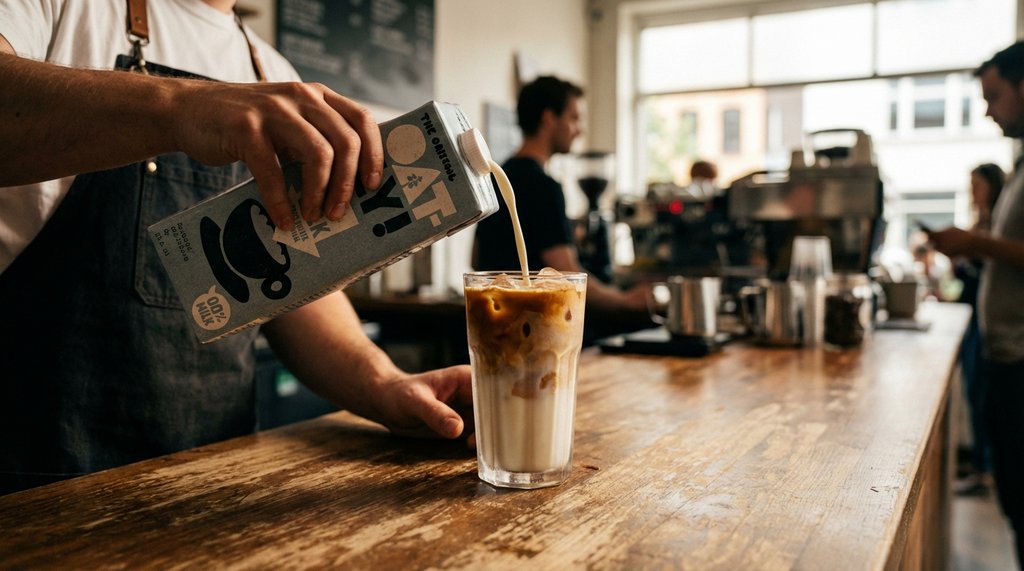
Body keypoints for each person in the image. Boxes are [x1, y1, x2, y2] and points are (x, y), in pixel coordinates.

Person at [0, 0, 472, 495]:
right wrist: (179, 108)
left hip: (212, 488)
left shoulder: (270, 69)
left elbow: (297, 281)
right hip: (36, 480)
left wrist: (383, 384)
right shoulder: (65, 7)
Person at [928, 40, 1024, 567]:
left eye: (994, 96)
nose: (988, 111)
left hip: (1021, 359)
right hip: (1006, 353)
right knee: (1014, 496)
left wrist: (973, 243)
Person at [472, 75, 648, 312]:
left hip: (494, 315)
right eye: (574, 118)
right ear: (548, 119)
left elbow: (475, 260)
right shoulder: (545, 187)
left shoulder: (495, 177)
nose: (579, 130)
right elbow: (567, 275)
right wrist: (625, 300)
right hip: (537, 322)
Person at [954, 163, 1005, 496]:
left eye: (977, 185)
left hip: (988, 323)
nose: (973, 192)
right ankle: (981, 466)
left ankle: (985, 468)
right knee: (975, 391)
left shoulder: (997, 223)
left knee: (982, 394)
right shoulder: (983, 223)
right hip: (976, 317)